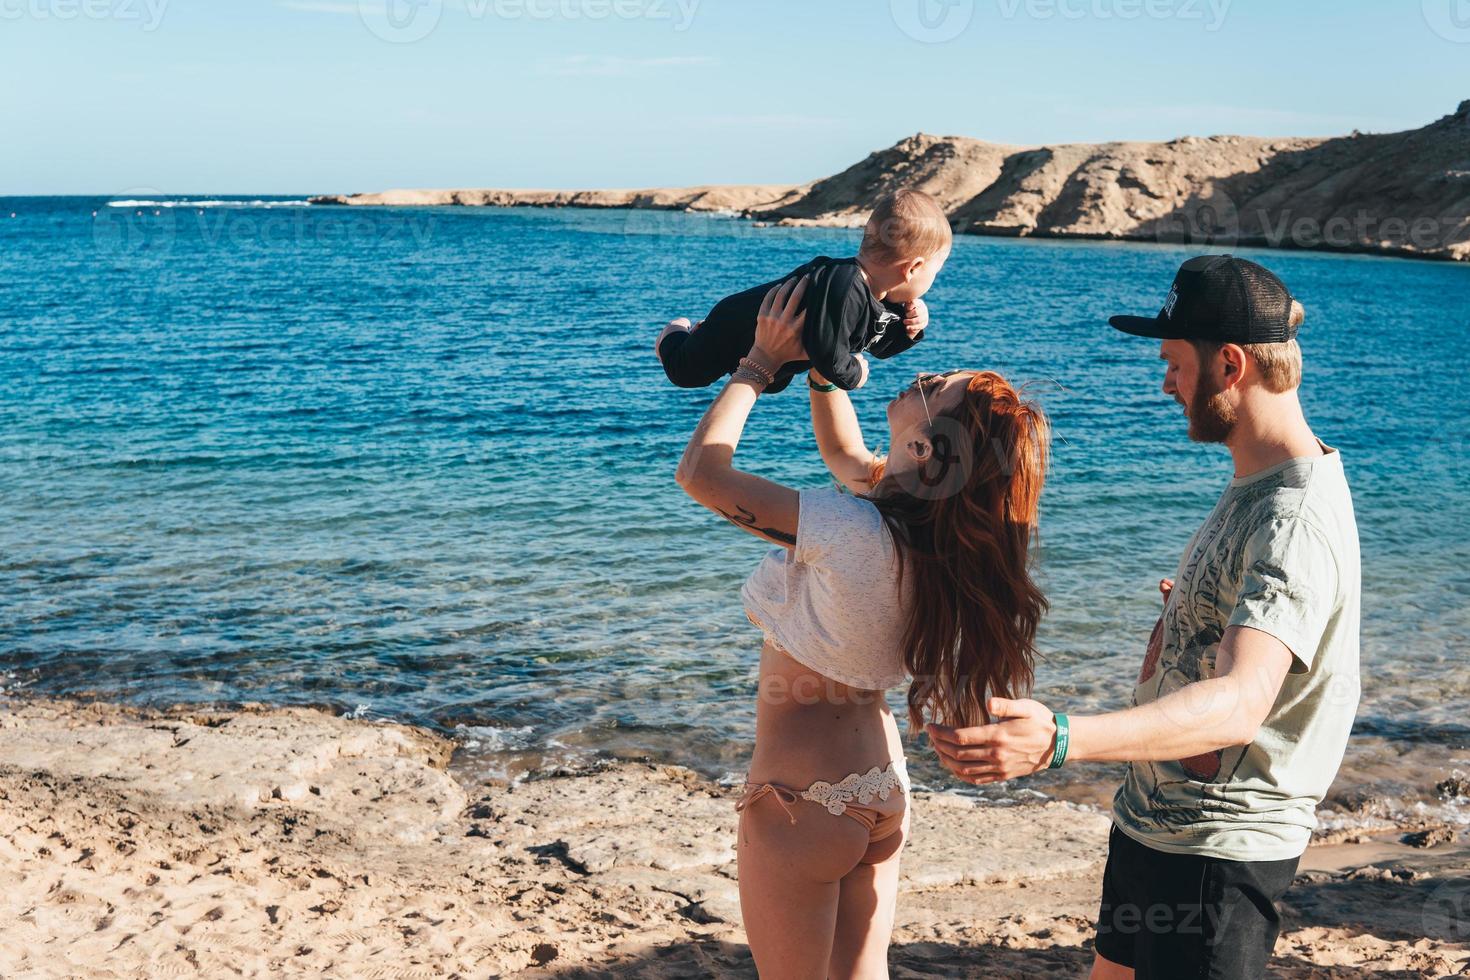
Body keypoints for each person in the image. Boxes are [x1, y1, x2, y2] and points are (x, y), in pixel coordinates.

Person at [928, 255, 1361, 980]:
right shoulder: (1256, 483)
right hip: (1155, 827)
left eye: (1173, 362)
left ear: (1229, 364)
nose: (1163, 382)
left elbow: (1239, 705)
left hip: (1217, 859)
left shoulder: (1295, 516)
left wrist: (1061, 740)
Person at [675, 276, 1049, 978]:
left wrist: (756, 364)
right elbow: (847, 460)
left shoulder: (852, 530)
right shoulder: (935, 538)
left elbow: (700, 473)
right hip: (878, 788)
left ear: (927, 452)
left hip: (800, 800)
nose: (926, 374)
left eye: (937, 385)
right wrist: (824, 367)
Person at [656, 189, 952, 393]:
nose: (934, 281)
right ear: (912, 268)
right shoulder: (845, 284)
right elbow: (827, 352)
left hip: (772, 355)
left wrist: (910, 329)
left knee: (773, 383)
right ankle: (675, 332)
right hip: (733, 326)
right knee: (686, 372)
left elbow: (876, 345)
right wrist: (854, 375)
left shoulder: (879, 296)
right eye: (936, 271)